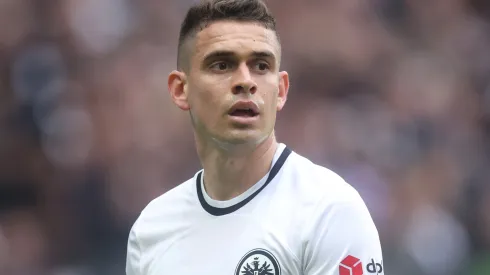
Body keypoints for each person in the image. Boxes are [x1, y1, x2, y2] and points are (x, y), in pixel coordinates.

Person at [125, 0, 384, 274]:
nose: (245, 81)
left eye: (261, 66)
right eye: (222, 65)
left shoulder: (329, 211)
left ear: (281, 90)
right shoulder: (151, 229)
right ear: (181, 89)